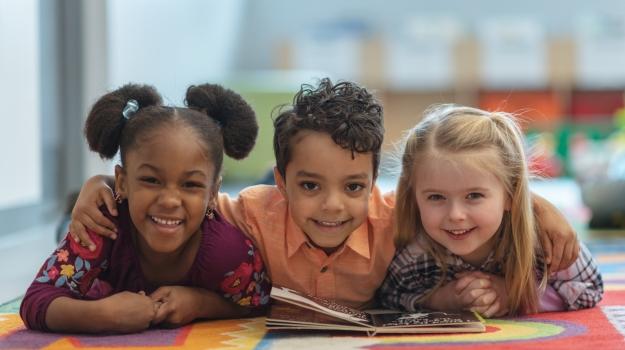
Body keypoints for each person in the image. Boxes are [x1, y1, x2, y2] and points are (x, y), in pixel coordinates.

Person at [67, 79, 580, 309]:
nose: (333, 206)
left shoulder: (397, 220)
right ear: (281, 181)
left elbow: (462, 199)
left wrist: (537, 205)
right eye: (310, 186)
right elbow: (178, 197)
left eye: (354, 186)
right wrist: (97, 186)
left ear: (376, 183)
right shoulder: (250, 212)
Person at [20, 83, 271, 333]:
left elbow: (258, 302)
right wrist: (99, 315)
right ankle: (71, 211)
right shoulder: (102, 225)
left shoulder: (228, 251)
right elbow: (37, 299)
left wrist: (200, 303)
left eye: (191, 184)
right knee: (72, 226)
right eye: (151, 180)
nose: (170, 201)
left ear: (213, 194)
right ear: (122, 182)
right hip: (96, 236)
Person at [377, 105, 603, 317]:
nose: (456, 215)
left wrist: (516, 296)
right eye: (436, 197)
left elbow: (589, 289)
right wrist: (440, 300)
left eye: (474, 196)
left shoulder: (543, 240)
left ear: (509, 195)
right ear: (414, 198)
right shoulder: (417, 253)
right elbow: (389, 295)